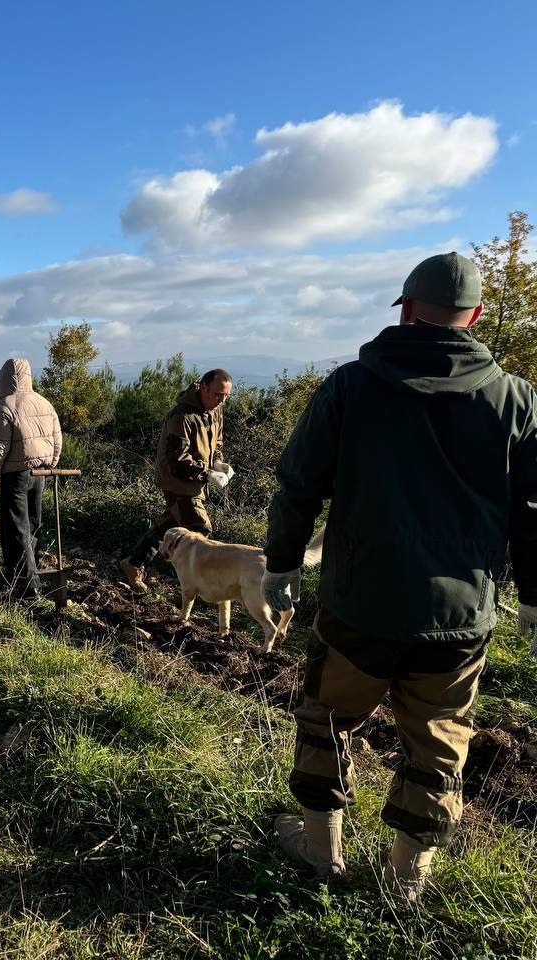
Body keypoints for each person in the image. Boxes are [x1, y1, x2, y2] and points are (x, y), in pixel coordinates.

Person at [262, 252, 537, 904]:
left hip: (359, 608)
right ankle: (405, 887)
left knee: (325, 722)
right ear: (472, 317)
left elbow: (298, 487)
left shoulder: (351, 387)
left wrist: (279, 565)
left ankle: (321, 854)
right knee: (439, 750)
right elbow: (532, 509)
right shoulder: (517, 400)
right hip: (460, 621)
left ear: (407, 309)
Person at [119, 369, 234, 593]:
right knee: (199, 529)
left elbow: (217, 441)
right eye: (218, 395)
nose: (221, 400)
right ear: (203, 388)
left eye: (226, 396)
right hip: (177, 481)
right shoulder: (181, 416)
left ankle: (133, 564)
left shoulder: (215, 410)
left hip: (196, 480)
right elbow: (177, 458)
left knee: (168, 525)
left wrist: (218, 463)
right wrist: (207, 473)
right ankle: (197, 584)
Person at [0, 358, 62, 600]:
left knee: (16, 526)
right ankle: (32, 569)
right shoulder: (44, 402)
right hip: (41, 471)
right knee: (33, 522)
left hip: (15, 473)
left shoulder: (4, 406)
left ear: (4, 378)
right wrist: (52, 463)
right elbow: (57, 437)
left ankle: (27, 586)